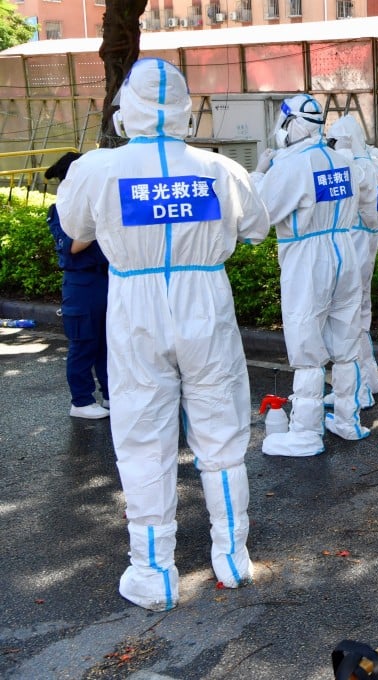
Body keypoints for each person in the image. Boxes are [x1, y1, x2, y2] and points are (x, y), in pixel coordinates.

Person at [57, 58, 270, 611]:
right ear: (183, 109)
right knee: (221, 435)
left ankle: (154, 572)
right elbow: (256, 229)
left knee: (143, 440)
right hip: (207, 304)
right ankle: (233, 557)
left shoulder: (97, 169)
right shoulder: (221, 170)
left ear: (126, 106)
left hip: (134, 307)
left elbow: (75, 228)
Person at [252, 94, 369, 456]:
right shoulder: (343, 161)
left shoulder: (292, 166)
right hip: (344, 251)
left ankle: (304, 431)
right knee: (347, 341)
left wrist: (259, 173)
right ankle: (348, 419)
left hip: (308, 257)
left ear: (290, 125)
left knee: (306, 345)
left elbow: (257, 217)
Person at [326, 114, 378, 408]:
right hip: (369, 242)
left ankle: (358, 389)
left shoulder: (359, 169)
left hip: (355, 245)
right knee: (360, 313)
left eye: (335, 141)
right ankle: (369, 378)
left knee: (347, 317)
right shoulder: (376, 161)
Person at [45, 151, 111, 420]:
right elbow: (72, 246)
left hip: (108, 279)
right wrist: (98, 220)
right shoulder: (60, 209)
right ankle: (81, 401)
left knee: (110, 344)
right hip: (82, 283)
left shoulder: (96, 202)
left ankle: (110, 395)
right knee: (84, 343)